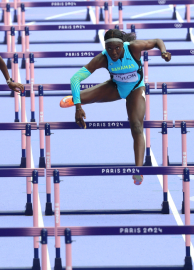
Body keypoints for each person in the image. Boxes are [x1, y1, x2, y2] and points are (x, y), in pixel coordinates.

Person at [59, 29, 171, 185]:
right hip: (116, 87)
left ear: (123, 45)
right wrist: (78, 107)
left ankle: (138, 170)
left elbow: (157, 40)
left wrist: (164, 52)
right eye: (109, 48)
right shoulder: (103, 58)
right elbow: (75, 78)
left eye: (117, 48)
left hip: (135, 89)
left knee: (137, 126)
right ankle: (77, 99)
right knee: (80, 97)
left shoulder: (134, 47)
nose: (113, 52)